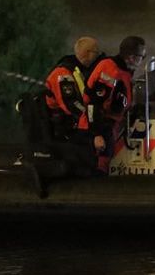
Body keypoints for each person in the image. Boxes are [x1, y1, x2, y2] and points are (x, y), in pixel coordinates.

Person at [79, 35, 146, 175]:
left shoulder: (125, 71)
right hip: (97, 126)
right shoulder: (110, 70)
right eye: (141, 57)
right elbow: (93, 104)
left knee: (105, 162)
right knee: (99, 167)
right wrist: (96, 135)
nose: (142, 61)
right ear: (131, 58)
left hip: (109, 126)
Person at [44, 36, 101, 139]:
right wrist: (91, 118)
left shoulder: (78, 71)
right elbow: (71, 104)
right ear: (86, 53)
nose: (97, 56)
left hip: (74, 125)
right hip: (65, 130)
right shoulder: (63, 73)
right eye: (95, 52)